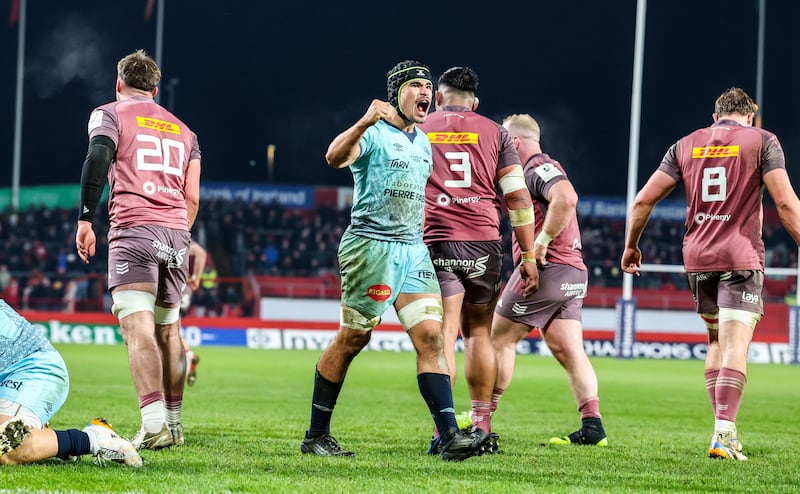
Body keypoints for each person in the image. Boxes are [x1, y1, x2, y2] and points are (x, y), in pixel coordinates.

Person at [300, 60, 489, 461]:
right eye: (416, 85)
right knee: (354, 338)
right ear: (396, 94)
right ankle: (316, 435)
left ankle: (450, 436)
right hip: (372, 248)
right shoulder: (374, 133)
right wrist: (365, 120)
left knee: (432, 338)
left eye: (427, 86)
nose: (425, 93)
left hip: (412, 251)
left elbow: (417, 196)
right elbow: (334, 157)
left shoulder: (423, 141)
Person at [621, 87, 800, 461]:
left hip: (698, 258)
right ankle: (723, 432)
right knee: (736, 345)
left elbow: (642, 200)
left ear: (714, 114)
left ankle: (723, 428)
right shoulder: (762, 140)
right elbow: (785, 202)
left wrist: (631, 245)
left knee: (716, 341)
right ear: (750, 116)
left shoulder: (685, 144)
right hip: (740, 256)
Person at [74, 50, 201, 451]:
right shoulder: (186, 131)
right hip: (177, 234)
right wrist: (178, 233)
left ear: (119, 84)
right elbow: (192, 196)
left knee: (137, 327)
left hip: (133, 229)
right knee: (170, 330)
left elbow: (98, 157)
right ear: (156, 89)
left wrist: (85, 218)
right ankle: (175, 423)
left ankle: (153, 422)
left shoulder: (109, 113)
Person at [417, 67, 538, 453]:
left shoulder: (421, 127)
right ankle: (482, 422)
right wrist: (530, 254)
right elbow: (518, 199)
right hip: (484, 243)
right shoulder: (497, 132)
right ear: (476, 102)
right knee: (478, 334)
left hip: (436, 240)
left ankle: (445, 430)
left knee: (444, 334)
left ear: (439, 97)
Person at [491, 114, 607, 447]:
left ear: (513, 142)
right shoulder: (531, 170)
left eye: (503, 141)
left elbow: (567, 198)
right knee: (569, 350)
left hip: (548, 268)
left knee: (498, 340)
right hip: (572, 270)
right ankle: (592, 426)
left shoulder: (536, 166)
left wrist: (540, 243)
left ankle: (481, 418)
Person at [0, 299, 142, 466]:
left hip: (34, 369)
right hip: (10, 374)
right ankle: (48, 439)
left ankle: (94, 438)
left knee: (7, 446)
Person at [179, 241, 207, 386]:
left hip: (171, 287)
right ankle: (188, 356)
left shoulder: (166, 235)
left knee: (164, 330)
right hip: (186, 290)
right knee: (173, 330)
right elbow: (201, 253)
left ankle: (186, 357)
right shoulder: (183, 238)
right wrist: (196, 277)